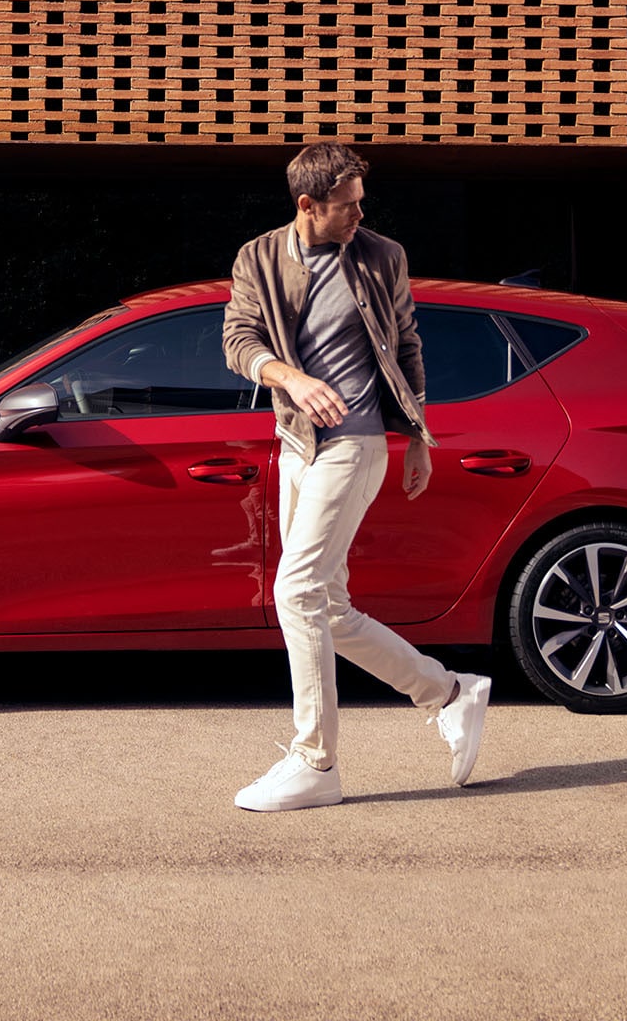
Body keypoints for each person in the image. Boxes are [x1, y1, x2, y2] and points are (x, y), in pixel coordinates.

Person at [222, 141, 490, 811]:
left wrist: (420, 437)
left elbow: (405, 343)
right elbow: (239, 340)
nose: (358, 214)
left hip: (358, 443)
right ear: (307, 205)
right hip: (297, 443)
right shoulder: (257, 257)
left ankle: (316, 761)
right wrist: (291, 377)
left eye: (361, 201)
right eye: (346, 205)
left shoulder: (381, 255)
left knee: (297, 592)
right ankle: (450, 693)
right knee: (327, 607)